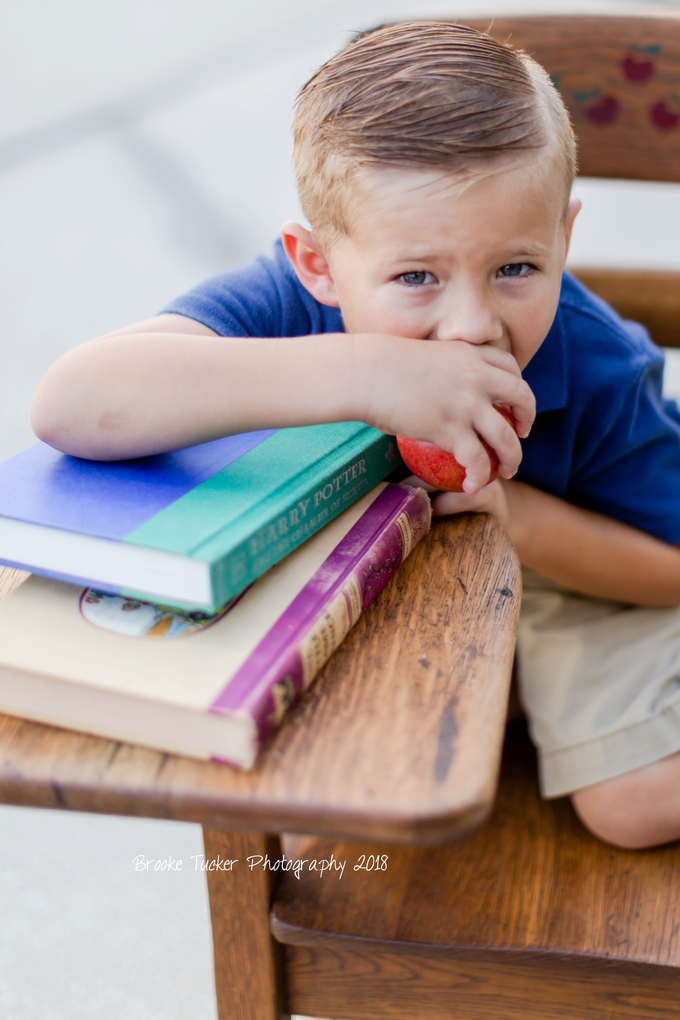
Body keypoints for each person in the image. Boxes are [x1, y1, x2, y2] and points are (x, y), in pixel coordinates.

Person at [31, 22, 680, 849]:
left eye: (515, 267)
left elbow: (670, 568)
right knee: (313, 792)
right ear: (319, 265)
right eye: (415, 278)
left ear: (563, 238)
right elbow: (72, 403)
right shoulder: (294, 303)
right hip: (370, 582)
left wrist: (515, 519)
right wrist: (365, 372)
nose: (470, 324)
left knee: (627, 804)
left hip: (580, 575)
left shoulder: (599, 372)